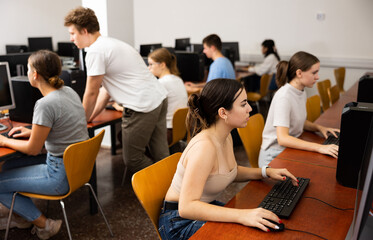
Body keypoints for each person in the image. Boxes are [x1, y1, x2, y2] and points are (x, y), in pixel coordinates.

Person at [158, 79, 299, 240]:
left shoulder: (225, 136)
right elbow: (186, 207)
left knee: (260, 224)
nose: (250, 108)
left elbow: (230, 170)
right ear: (223, 113)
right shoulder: (205, 147)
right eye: (243, 104)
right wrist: (241, 215)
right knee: (248, 232)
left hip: (202, 209)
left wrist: (265, 172)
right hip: (179, 222)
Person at [64, 7, 169, 173]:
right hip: (159, 98)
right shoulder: (112, 43)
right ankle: (172, 193)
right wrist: (89, 117)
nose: (70, 39)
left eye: (72, 33)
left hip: (142, 106)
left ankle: (159, 186)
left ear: (84, 31)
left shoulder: (95, 51)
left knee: (133, 159)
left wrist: (80, 122)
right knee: (160, 154)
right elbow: (105, 91)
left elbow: (91, 93)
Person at [0, 50, 89, 239]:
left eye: (28, 69)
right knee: (8, 165)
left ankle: (44, 224)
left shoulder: (45, 104)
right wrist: (34, 131)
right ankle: (23, 217)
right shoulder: (68, 91)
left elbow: (32, 150)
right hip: (75, 169)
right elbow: (64, 126)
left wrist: (4, 140)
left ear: (35, 75)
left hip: (57, 176)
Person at [258, 51, 339, 167]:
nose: (317, 77)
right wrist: (319, 148)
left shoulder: (301, 91)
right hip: (274, 156)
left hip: (288, 149)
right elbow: (283, 139)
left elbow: (297, 121)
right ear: (299, 73)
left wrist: (320, 128)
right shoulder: (284, 97)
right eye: (314, 73)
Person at [148, 48, 188, 145]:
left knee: (125, 135)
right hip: (180, 130)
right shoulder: (178, 79)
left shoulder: (161, 83)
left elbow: (147, 106)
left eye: (151, 64)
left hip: (167, 132)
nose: (148, 68)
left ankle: (152, 160)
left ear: (162, 65)